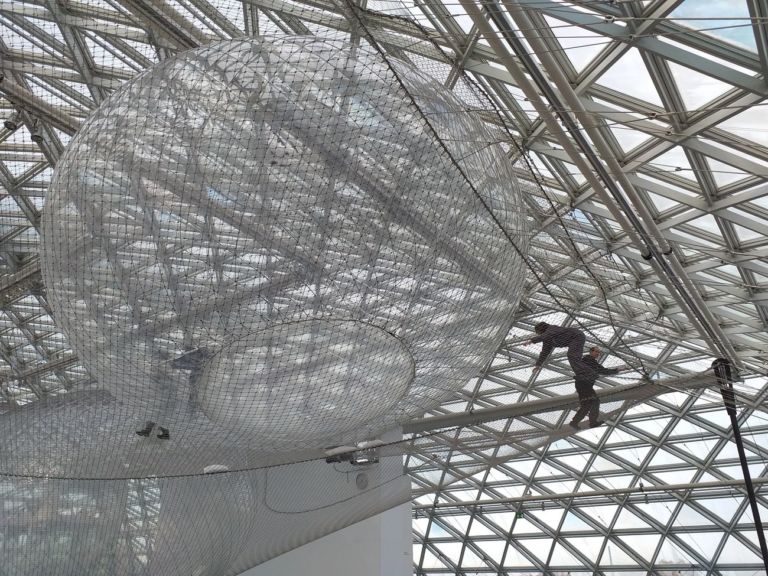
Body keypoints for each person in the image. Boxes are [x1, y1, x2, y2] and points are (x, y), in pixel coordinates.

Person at [569, 346, 622, 429]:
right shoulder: (589, 360)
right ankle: (592, 422)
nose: (598, 354)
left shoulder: (587, 360)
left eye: (599, 352)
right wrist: (617, 370)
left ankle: (575, 422)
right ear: (591, 352)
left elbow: (602, 370)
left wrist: (615, 370)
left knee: (586, 405)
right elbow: (603, 371)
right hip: (584, 384)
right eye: (596, 352)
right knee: (595, 401)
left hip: (582, 384)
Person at [528, 322, 597, 380]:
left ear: (541, 330)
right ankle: (583, 374)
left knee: (572, 355)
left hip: (576, 336)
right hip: (573, 340)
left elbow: (546, 335)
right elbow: (544, 353)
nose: (539, 334)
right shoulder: (547, 340)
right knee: (573, 357)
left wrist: (532, 340)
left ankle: (589, 373)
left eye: (538, 333)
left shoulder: (551, 329)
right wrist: (538, 365)